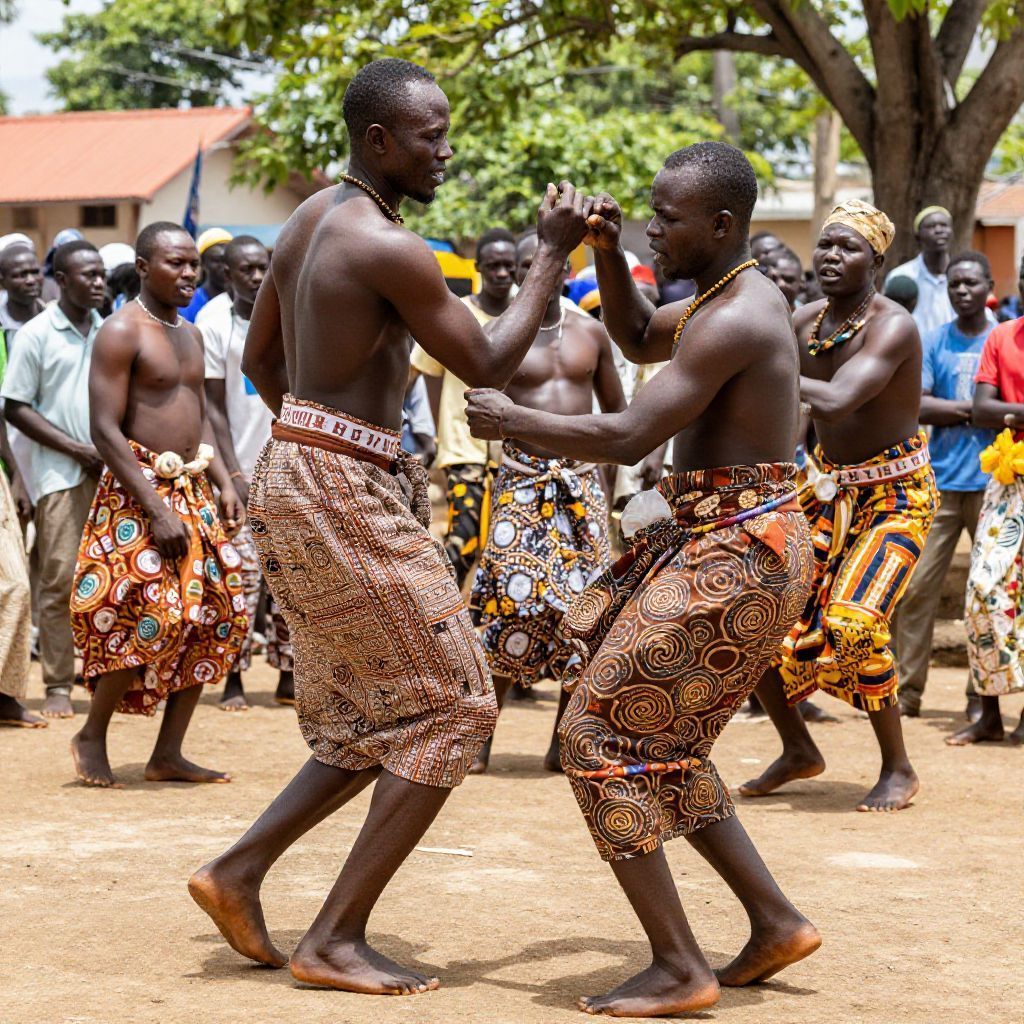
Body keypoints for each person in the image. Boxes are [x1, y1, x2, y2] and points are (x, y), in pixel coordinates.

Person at [187, 58, 589, 995]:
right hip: (338, 484)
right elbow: (487, 361)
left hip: (302, 467)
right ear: (378, 139)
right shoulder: (389, 245)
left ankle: (238, 871)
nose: (445, 152)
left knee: (378, 711)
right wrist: (549, 255)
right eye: (430, 137)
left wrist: (316, 440)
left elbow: (261, 360)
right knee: (458, 706)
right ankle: (332, 939)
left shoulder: (306, 219)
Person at [467, 141, 819, 1018]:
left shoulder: (736, 317)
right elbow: (632, 336)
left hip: (738, 553)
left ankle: (677, 966)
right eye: (648, 217)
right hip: (725, 542)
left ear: (722, 225)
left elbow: (628, 434)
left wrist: (514, 419)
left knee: (594, 736)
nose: (652, 230)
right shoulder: (720, 297)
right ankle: (775, 922)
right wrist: (603, 252)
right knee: (663, 745)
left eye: (667, 219)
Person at [739, 200, 938, 813]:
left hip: (895, 497)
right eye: (825, 244)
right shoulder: (804, 321)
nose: (830, 256)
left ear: (875, 260)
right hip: (824, 488)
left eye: (847, 247)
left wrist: (760, 363)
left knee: (854, 622)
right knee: (753, 610)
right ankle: (798, 748)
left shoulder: (893, 326)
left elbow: (837, 399)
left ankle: (898, 767)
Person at [68, 222, 249, 787]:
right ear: (144, 267)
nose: (189, 273)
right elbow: (104, 429)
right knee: (143, 611)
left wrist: (224, 481)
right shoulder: (122, 331)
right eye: (176, 263)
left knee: (215, 613)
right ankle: (91, 734)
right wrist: (155, 509)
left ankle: (167, 753)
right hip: (136, 492)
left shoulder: (190, 333)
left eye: (193, 263)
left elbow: (199, 420)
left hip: (191, 489)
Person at [468, 228, 625, 774]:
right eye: (533, 263)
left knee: (587, 612)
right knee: (512, 603)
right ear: (523, 273)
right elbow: (480, 407)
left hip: (581, 485)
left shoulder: (592, 333)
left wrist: (609, 486)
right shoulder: (500, 337)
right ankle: (481, 739)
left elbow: (616, 416)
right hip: (521, 483)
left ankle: (563, 742)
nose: (546, 270)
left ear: (568, 270)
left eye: (555, 262)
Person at [1, 240, 107, 719]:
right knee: (60, 579)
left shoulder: (110, 330)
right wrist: (78, 450)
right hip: (59, 474)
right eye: (89, 275)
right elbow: (15, 407)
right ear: (61, 281)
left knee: (110, 579)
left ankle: (103, 676)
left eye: (101, 274)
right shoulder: (36, 334)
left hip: (112, 474)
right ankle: (59, 683)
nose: (99, 283)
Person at [894, 252, 996, 718]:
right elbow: (918, 406)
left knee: (987, 593)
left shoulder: (1002, 338)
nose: (962, 291)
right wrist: (979, 411)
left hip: (995, 483)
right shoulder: (934, 339)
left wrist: (955, 409)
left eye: (971, 282)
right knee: (916, 589)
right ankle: (907, 692)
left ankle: (981, 696)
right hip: (942, 480)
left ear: (989, 286)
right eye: (954, 283)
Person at [202, 235, 294, 712]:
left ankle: (288, 675)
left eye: (263, 268)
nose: (258, 277)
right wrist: (230, 475)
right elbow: (212, 407)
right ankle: (233, 677)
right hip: (236, 473)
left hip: (286, 471)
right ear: (227, 274)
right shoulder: (213, 321)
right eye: (247, 270)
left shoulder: (287, 314)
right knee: (240, 579)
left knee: (291, 579)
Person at [411, 227, 516, 585]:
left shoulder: (525, 317)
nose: (502, 273)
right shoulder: (456, 315)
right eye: (493, 265)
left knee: (506, 545)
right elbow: (424, 371)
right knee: (464, 541)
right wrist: (433, 431)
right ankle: (442, 608)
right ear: (478, 267)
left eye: (509, 265)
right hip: (462, 447)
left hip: (515, 451)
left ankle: (482, 615)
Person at [949, 250, 1024, 745]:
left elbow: (998, 408)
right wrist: (1007, 414)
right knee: (982, 589)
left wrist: (1011, 411)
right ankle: (989, 714)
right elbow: (980, 409)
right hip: (1008, 476)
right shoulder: (1002, 336)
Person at [885, 206, 955, 336]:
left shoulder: (960, 277)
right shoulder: (902, 276)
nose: (939, 230)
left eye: (944, 225)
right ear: (918, 237)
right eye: (931, 226)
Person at [182, 228, 233, 323]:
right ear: (202, 263)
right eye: (217, 260)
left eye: (229, 259)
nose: (226, 266)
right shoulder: (188, 303)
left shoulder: (243, 301)